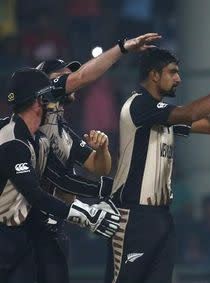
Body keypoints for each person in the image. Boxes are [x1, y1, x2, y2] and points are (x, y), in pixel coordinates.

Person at [105, 47, 210, 283]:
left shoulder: (163, 117)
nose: (178, 79)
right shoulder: (138, 106)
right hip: (133, 216)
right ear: (154, 75)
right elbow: (190, 113)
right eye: (172, 72)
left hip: (161, 217)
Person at [28, 32, 161, 283]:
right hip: (27, 228)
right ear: (44, 85)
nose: (69, 80)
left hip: (53, 228)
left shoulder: (63, 130)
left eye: (69, 74)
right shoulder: (39, 114)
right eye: (61, 76)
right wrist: (122, 48)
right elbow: (83, 77)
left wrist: (101, 150)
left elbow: (99, 167)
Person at [0, 68, 120, 282]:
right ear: (40, 101)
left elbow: (61, 179)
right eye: (51, 98)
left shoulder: (40, 140)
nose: (57, 104)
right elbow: (36, 195)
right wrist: (84, 216)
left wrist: (107, 190)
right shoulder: (13, 141)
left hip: (21, 237)